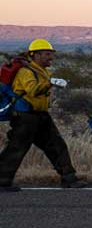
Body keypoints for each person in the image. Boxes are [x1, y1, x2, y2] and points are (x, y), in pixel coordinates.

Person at [0, 39, 86, 192]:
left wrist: (50, 82)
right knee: (17, 148)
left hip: (40, 115)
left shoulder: (43, 71)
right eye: (47, 54)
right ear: (35, 55)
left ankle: (69, 179)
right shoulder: (25, 72)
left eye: (51, 54)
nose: (50, 57)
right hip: (24, 117)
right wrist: (50, 83)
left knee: (57, 145)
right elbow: (32, 90)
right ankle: (2, 181)